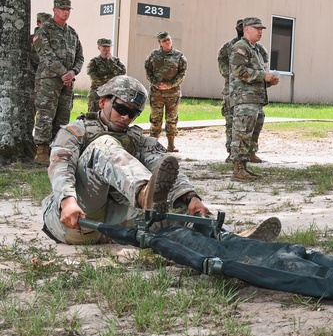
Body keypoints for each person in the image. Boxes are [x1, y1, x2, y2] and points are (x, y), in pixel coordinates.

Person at [41, 75, 281, 245]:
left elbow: (161, 163)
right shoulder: (76, 131)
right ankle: (145, 194)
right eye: (121, 108)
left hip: (116, 223)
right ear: (103, 101)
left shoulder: (136, 138)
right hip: (76, 218)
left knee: (179, 206)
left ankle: (229, 240)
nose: (126, 117)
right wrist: (67, 200)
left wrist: (191, 197)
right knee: (102, 146)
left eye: (133, 113)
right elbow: (61, 166)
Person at [33, 0, 84, 164]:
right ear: (54, 10)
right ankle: (41, 151)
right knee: (46, 115)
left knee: (63, 116)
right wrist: (63, 73)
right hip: (48, 81)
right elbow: (45, 53)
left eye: (68, 9)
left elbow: (80, 57)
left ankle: (56, 149)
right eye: (62, 9)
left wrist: (72, 72)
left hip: (67, 83)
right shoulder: (43, 31)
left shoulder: (73, 33)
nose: (65, 12)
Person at [230, 17, 279, 180]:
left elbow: (256, 76)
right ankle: (237, 169)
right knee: (242, 133)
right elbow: (239, 70)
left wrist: (269, 81)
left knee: (250, 134)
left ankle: (244, 166)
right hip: (244, 100)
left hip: (255, 99)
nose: (260, 31)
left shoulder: (256, 49)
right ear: (247, 29)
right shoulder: (241, 47)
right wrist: (263, 76)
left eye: (262, 29)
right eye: (257, 28)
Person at [144, 31, 188, 152]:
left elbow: (182, 73)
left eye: (168, 39)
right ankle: (153, 145)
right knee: (155, 119)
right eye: (164, 41)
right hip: (156, 93)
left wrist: (169, 85)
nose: (167, 42)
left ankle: (171, 145)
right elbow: (147, 69)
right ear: (160, 43)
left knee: (172, 119)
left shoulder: (179, 56)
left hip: (173, 94)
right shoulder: (153, 55)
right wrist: (155, 83)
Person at [218, 19, 245, 162]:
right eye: (239, 27)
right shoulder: (228, 46)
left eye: (244, 27)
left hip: (248, 91)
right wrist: (229, 75)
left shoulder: (255, 47)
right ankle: (231, 152)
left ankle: (249, 151)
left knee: (250, 122)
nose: (241, 29)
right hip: (231, 89)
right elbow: (221, 60)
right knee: (230, 120)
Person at [86, 38, 127, 113]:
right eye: (104, 47)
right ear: (99, 48)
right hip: (97, 93)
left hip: (112, 92)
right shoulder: (94, 62)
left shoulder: (116, 61)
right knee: (94, 115)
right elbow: (94, 77)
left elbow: (122, 73)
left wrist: (111, 62)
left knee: (112, 114)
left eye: (108, 47)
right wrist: (111, 78)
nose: (106, 49)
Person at [28, 11, 52, 132]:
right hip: (34, 80)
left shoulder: (52, 39)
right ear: (39, 23)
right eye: (45, 23)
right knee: (32, 110)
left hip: (49, 81)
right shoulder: (33, 39)